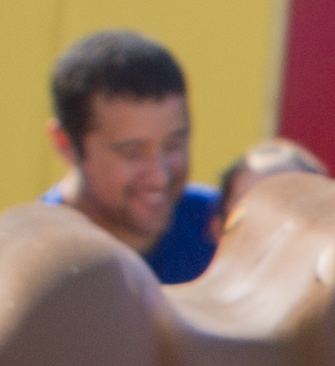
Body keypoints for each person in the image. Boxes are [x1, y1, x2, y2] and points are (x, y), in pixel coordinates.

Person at [45, 31, 215, 280]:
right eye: (132, 153)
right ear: (65, 144)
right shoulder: (1, 281)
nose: (160, 177)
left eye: (174, 146)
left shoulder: (226, 230)